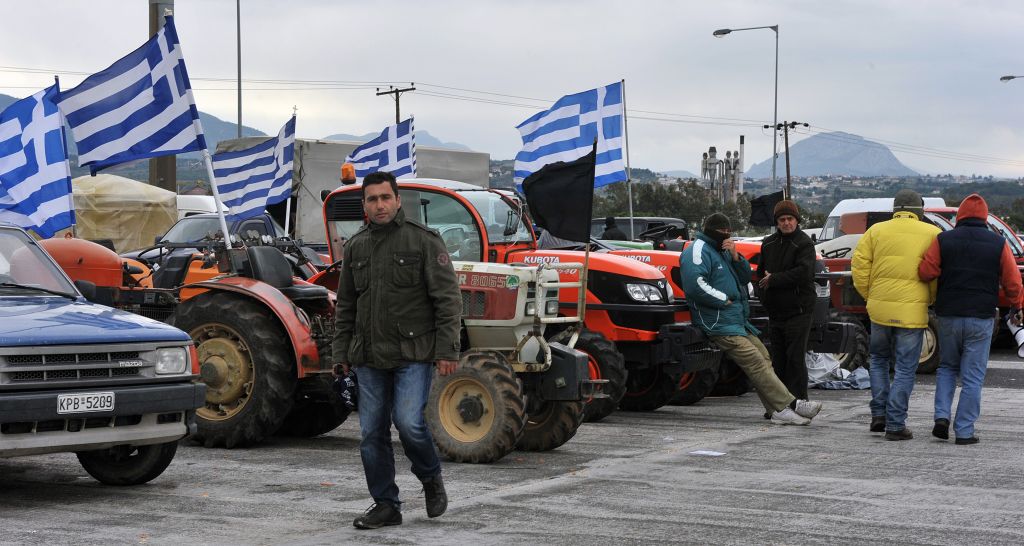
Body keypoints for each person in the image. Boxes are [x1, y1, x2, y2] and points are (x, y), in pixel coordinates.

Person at [331, 171, 463, 529]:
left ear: (397, 199)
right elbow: (345, 306)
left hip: (413, 353)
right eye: (372, 199)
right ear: (365, 205)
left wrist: (448, 350)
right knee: (371, 434)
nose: (380, 205)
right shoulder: (356, 246)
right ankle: (386, 504)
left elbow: (448, 300)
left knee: (409, 424)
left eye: (385, 198)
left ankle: (431, 477)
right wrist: (339, 353)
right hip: (369, 356)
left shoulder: (423, 241)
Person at [680, 213, 821, 425]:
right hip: (717, 321)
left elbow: (746, 277)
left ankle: (776, 410)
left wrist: (736, 257)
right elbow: (694, 285)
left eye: (729, 232)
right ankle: (790, 405)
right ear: (711, 231)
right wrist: (723, 299)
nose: (727, 235)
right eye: (723, 232)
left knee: (764, 356)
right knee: (754, 360)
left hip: (736, 320)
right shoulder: (697, 251)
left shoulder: (724, 250)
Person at [918, 193, 1023, 445]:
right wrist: (1017, 305)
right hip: (981, 316)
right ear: (985, 216)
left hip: (948, 315)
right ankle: (964, 431)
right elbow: (1012, 282)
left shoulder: (944, 239)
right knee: (973, 376)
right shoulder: (998, 243)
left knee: (947, 367)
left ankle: (941, 417)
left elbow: (926, 271)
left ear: (960, 216)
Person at [852, 189, 941, 441]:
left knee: (878, 360)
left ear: (895, 209)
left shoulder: (876, 231)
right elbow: (935, 272)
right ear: (919, 210)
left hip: (879, 309)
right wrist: (930, 298)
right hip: (912, 312)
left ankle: (878, 414)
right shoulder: (933, 234)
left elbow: (859, 266)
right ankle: (895, 424)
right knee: (904, 368)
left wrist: (871, 295)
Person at [757, 199, 817, 407]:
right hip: (776, 312)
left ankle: (800, 402)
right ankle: (778, 404)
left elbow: (804, 273)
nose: (786, 223)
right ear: (777, 222)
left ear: (796, 220)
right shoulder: (768, 243)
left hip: (799, 311)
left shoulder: (804, 243)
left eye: (790, 219)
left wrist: (775, 279)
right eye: (782, 219)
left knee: (795, 359)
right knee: (778, 360)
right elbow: (760, 275)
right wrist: (765, 297)